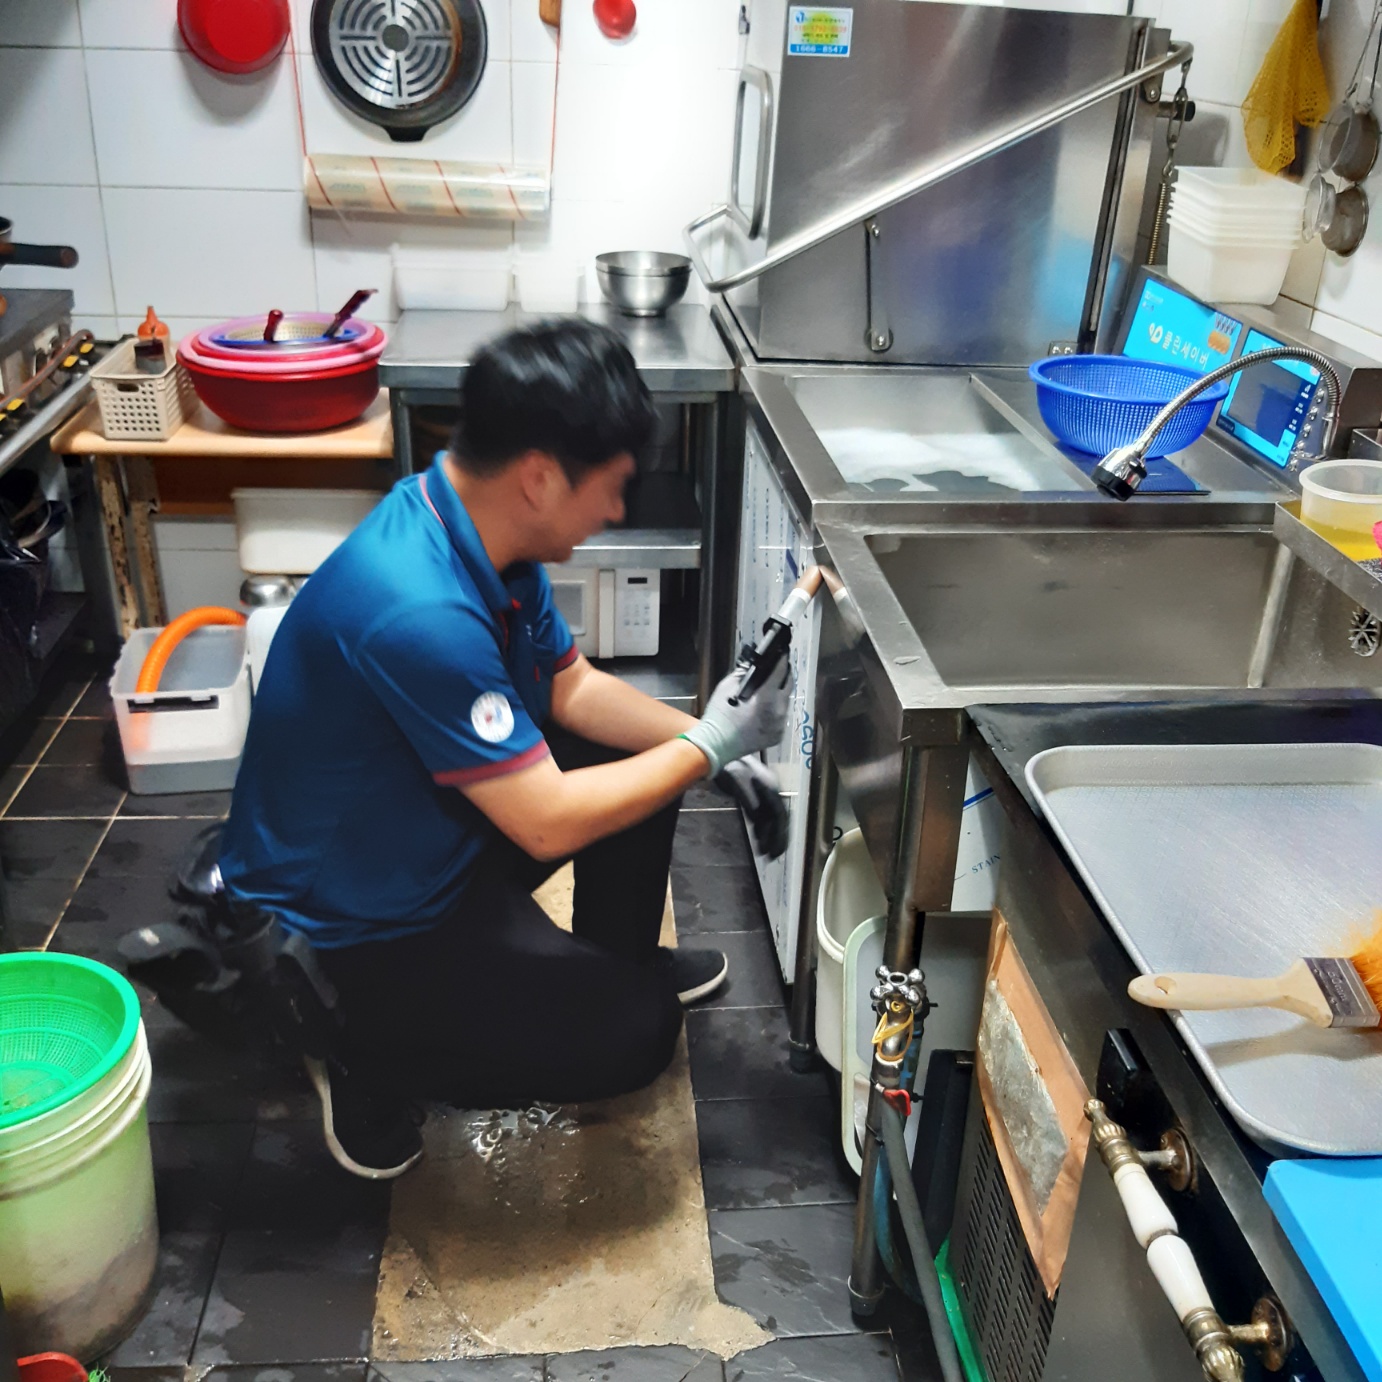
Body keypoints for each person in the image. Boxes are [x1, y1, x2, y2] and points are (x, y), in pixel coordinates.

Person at [218, 319, 792, 1179]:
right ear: (540, 477)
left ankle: (615, 961)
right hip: (350, 925)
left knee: (639, 759)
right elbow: (545, 822)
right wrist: (710, 744)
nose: (617, 512)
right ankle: (354, 1043)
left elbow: (573, 689)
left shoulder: (483, 538)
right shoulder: (418, 607)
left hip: (416, 840)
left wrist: (711, 744)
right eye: (612, 488)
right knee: (638, 1033)